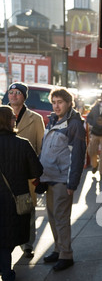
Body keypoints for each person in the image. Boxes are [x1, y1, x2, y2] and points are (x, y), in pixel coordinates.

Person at [39, 87, 86, 272]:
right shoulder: (53, 121)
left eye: (60, 102)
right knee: (52, 218)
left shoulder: (73, 124)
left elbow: (78, 156)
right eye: (54, 102)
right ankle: (59, 249)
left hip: (62, 179)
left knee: (61, 219)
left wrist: (72, 183)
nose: (56, 106)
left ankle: (66, 255)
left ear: (68, 103)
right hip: (48, 178)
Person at [0, 105, 43, 281]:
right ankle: (7, 274)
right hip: (16, 199)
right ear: (9, 122)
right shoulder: (22, 144)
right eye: (12, 118)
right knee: (9, 238)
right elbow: (37, 171)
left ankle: (6, 270)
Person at [6, 82, 45, 259]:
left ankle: (27, 244)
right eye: (11, 92)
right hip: (4, 174)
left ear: (24, 97)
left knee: (27, 209)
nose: (13, 96)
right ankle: (7, 244)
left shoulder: (35, 118)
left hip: (26, 174)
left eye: (17, 93)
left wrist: (37, 175)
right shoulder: (1, 114)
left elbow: (40, 146)